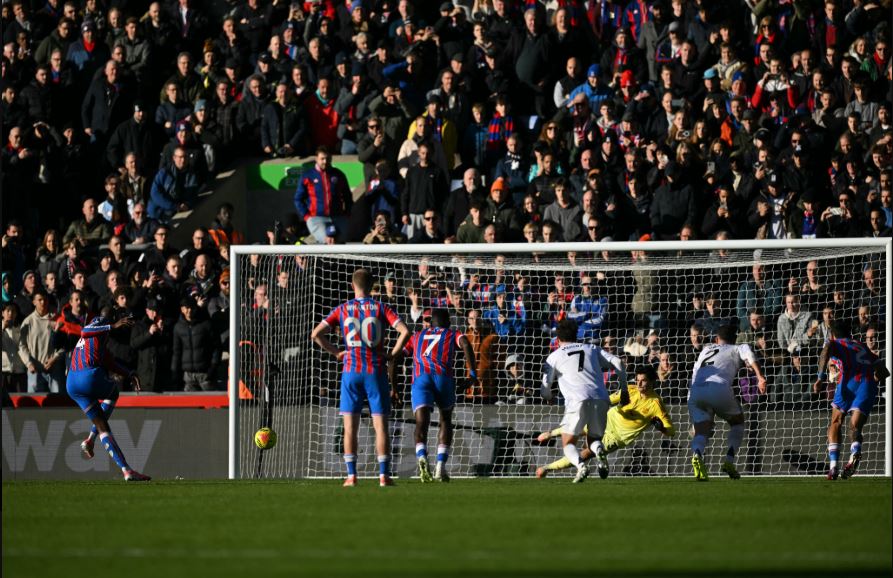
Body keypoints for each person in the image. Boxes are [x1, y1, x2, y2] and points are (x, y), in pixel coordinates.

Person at [310, 268, 410, 487]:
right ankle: (384, 476)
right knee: (381, 427)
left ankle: (351, 476)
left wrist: (336, 352)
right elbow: (405, 331)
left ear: (352, 285)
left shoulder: (343, 309)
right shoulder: (381, 307)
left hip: (351, 371)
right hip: (375, 371)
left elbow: (315, 334)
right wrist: (392, 354)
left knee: (349, 427)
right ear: (373, 286)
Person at [535, 366, 675, 478]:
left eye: (643, 381)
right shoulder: (630, 390)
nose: (638, 383)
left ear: (651, 382)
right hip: (607, 419)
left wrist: (661, 427)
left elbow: (671, 432)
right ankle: (551, 433)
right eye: (637, 379)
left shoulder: (656, 404)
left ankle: (547, 468)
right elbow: (606, 400)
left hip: (617, 436)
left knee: (586, 452)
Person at [390, 308, 477, 483]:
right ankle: (440, 467)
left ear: (431, 322)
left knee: (421, 422)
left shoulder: (416, 336)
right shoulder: (452, 333)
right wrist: (472, 375)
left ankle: (422, 456)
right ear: (448, 322)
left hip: (421, 379)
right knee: (445, 421)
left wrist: (394, 387)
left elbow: (395, 358)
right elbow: (466, 344)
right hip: (443, 378)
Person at [541, 318, 626, 482]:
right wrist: (624, 391)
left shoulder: (554, 357)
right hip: (601, 398)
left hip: (577, 400)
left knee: (568, 443)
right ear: (576, 335)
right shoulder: (592, 348)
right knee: (594, 439)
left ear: (557, 339)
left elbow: (545, 390)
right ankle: (599, 450)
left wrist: (549, 398)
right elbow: (618, 362)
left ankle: (581, 466)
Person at [66, 315, 150, 481]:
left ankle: (126, 470)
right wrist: (113, 324)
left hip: (72, 384)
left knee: (102, 425)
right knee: (113, 393)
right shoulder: (98, 325)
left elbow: (110, 363)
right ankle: (93, 439)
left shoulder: (95, 344)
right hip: (87, 376)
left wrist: (129, 373)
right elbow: (84, 331)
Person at [688, 324, 768, 482]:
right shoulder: (739, 347)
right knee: (737, 422)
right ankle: (729, 461)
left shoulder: (706, 349)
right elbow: (750, 355)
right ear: (734, 339)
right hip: (718, 388)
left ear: (717, 339)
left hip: (696, 391)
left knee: (702, 429)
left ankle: (697, 454)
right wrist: (760, 377)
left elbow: (695, 373)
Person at [812, 320, 889, 480]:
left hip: (847, 383)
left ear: (833, 334)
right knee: (854, 427)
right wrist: (872, 380)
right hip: (866, 385)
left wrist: (820, 377)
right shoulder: (861, 345)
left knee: (836, 421)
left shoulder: (835, 342)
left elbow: (826, 351)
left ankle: (833, 467)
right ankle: (855, 452)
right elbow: (884, 372)